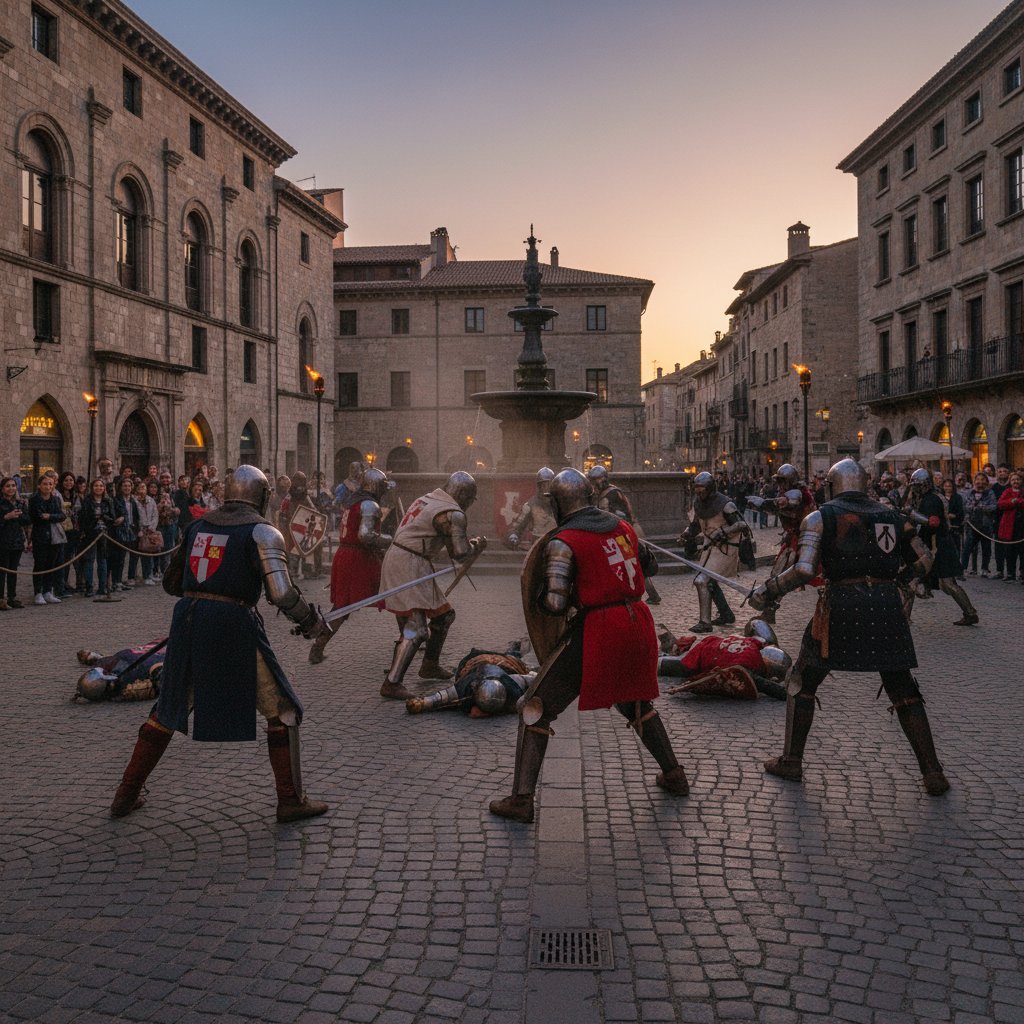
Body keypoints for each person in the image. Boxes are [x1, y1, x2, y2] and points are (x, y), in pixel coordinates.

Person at [108, 465, 331, 823]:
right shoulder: (263, 532)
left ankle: (125, 794)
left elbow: (172, 583)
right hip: (232, 624)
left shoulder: (198, 526)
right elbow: (282, 593)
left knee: (168, 709)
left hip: (190, 618)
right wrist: (310, 621)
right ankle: (290, 800)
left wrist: (206, 592)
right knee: (284, 710)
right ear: (261, 494)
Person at [488, 468, 689, 824]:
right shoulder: (621, 527)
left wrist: (539, 597)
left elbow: (554, 603)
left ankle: (521, 800)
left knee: (534, 705)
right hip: (637, 621)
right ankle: (673, 775)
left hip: (599, 629)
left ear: (558, 503)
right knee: (635, 703)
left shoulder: (564, 541)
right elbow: (651, 566)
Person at [749, 458, 950, 797]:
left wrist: (768, 590)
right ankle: (932, 772)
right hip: (886, 607)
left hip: (841, 605)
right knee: (903, 689)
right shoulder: (892, 516)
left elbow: (803, 569)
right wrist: (897, 582)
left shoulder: (820, 517)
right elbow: (925, 560)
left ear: (832, 484)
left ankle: (792, 760)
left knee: (801, 681)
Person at [377, 472, 486, 699]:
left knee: (444, 616)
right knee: (417, 629)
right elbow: (460, 553)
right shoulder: (452, 513)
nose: (468, 504)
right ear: (463, 494)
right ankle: (392, 683)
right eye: (470, 498)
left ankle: (429, 665)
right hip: (409, 564)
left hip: (409, 559)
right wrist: (476, 545)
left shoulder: (428, 499)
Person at [309, 467, 392, 665]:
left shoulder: (353, 501)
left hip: (347, 555)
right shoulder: (369, 504)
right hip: (358, 558)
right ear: (375, 486)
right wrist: (391, 539)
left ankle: (318, 647)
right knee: (394, 593)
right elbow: (366, 536)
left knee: (343, 606)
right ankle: (411, 635)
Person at [904, 468, 979, 626]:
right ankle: (904, 617)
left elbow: (933, 522)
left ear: (924, 485)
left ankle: (970, 613)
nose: (915, 488)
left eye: (917, 485)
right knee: (915, 580)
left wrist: (911, 515)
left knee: (945, 583)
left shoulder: (931, 499)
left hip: (937, 546)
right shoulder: (930, 496)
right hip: (935, 544)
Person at [746, 464, 816, 622]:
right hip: (794, 538)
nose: (781, 485)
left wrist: (764, 503)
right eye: (780, 481)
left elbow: (785, 502)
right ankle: (769, 612)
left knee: (788, 576)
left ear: (791, 481)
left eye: (784, 481)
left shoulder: (798, 493)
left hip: (806, 539)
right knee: (778, 576)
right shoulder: (790, 493)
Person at [679, 471, 748, 631]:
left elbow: (741, 525)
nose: (698, 490)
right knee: (711, 581)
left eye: (702, 487)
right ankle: (726, 614)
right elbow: (696, 523)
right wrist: (687, 532)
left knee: (702, 580)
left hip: (726, 548)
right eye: (696, 487)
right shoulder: (699, 503)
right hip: (709, 547)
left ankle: (705, 623)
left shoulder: (726, 504)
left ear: (710, 487)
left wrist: (722, 532)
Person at [656, 618, 791, 700]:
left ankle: (672, 646)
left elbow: (756, 623)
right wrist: (788, 694)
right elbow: (765, 685)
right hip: (699, 659)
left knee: (682, 660)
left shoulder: (755, 644)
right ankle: (657, 657)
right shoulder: (747, 668)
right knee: (674, 666)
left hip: (710, 643)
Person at [587, 464, 662, 605]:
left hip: (624, 534)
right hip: (618, 534)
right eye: (593, 480)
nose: (594, 484)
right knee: (630, 564)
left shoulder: (613, 493)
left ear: (603, 479)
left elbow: (621, 515)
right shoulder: (603, 494)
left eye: (596, 480)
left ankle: (648, 594)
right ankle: (647, 594)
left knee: (633, 564)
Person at [406, 644, 534, 717]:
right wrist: (422, 704)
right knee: (513, 655)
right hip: (490, 662)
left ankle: (517, 648)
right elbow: (441, 697)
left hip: (494, 663)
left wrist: (424, 703)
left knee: (513, 654)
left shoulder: (510, 685)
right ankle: (516, 649)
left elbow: (440, 698)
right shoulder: (469, 686)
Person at [28, 472, 67, 605]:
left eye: (50, 484)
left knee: (51, 564)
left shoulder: (55, 499)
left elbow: (62, 515)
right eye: (45, 484)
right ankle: (38, 592)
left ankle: (48, 591)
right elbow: (38, 516)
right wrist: (51, 516)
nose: (48, 486)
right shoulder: (34, 500)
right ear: (39, 486)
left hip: (54, 536)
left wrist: (50, 516)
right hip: (40, 536)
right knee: (40, 564)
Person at [78, 478, 115, 597]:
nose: (98, 488)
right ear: (92, 488)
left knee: (102, 561)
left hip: (104, 534)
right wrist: (94, 519)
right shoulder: (87, 501)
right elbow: (83, 518)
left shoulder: (108, 501)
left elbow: (112, 517)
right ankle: (89, 587)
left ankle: (102, 587)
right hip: (91, 533)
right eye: (96, 486)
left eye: (101, 486)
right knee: (89, 560)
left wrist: (104, 517)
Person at [505, 468, 557, 550]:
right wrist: (513, 534)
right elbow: (518, 524)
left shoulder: (561, 503)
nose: (546, 487)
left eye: (548, 484)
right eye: (543, 485)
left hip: (558, 543)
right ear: (539, 486)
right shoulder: (530, 504)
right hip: (537, 544)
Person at [0, 476, 30, 610]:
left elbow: (27, 520)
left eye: (13, 486)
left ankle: (12, 597)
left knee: (13, 570)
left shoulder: (20, 502)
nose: (11, 488)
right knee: (2, 570)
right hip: (3, 541)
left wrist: (20, 515)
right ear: (2, 488)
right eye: (8, 486)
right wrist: (6, 517)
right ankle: (1, 599)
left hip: (17, 541)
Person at [961, 472, 996, 577]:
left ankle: (984, 569)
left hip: (985, 524)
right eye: (978, 480)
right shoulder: (968, 493)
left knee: (986, 548)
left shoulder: (990, 493)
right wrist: (974, 507)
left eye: (982, 480)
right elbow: (965, 506)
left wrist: (982, 507)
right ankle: (963, 568)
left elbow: (994, 506)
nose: (980, 482)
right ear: (974, 481)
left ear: (986, 481)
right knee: (967, 547)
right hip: (972, 524)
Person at [996, 472, 1024, 583]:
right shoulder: (1007, 492)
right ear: (1010, 481)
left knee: (1022, 551)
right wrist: (1012, 502)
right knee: (1009, 551)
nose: (1016, 482)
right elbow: (1001, 504)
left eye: (1018, 479)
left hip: (1021, 526)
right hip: (1009, 525)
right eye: (1013, 480)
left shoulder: (1022, 492)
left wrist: (1017, 501)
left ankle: (1022, 573)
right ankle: (1011, 573)